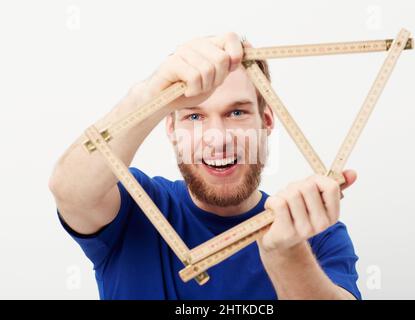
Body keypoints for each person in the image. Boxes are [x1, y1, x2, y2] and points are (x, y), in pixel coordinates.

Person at [49, 32, 361, 300]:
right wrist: (148, 96)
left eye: (236, 113)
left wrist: (286, 254)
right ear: (170, 128)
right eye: (194, 116)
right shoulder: (136, 209)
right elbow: (69, 190)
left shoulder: (315, 231)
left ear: (266, 121)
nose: (218, 138)